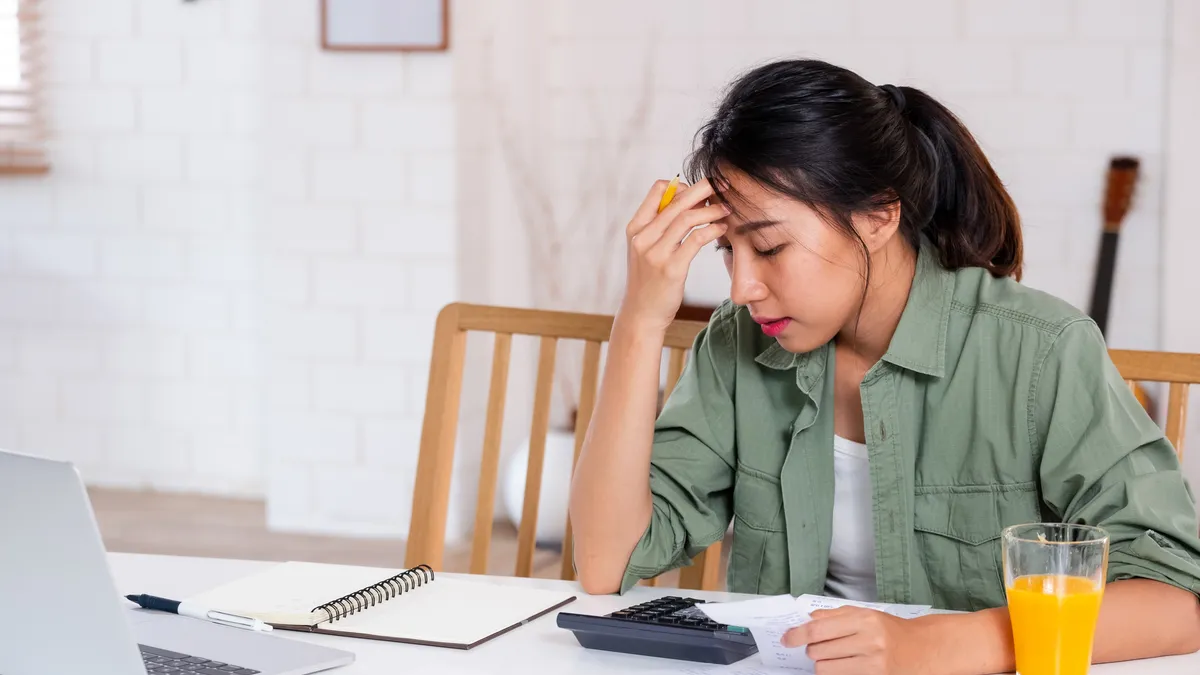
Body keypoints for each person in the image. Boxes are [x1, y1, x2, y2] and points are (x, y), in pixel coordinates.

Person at [567, 59, 1200, 674]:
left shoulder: (1040, 350)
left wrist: (940, 646)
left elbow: (1176, 603)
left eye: (768, 247)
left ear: (878, 215)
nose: (742, 288)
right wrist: (640, 322)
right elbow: (604, 563)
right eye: (728, 252)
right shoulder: (738, 345)